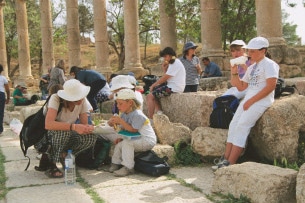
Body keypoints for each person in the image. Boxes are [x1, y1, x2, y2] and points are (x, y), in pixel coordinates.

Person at [212, 36, 279, 170]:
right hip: (249, 98)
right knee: (233, 124)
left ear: (263, 50)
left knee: (242, 125)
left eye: (253, 51)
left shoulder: (270, 65)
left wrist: (251, 101)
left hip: (261, 100)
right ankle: (225, 158)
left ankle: (230, 163)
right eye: (249, 51)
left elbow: (271, 86)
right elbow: (241, 86)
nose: (250, 54)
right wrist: (234, 72)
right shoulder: (252, 67)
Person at [43, 79, 97, 178]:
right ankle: (52, 163)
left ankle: (66, 155)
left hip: (69, 132)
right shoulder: (56, 98)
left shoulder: (82, 100)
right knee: (64, 132)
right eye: (77, 99)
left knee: (90, 137)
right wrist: (74, 127)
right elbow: (48, 124)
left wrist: (87, 128)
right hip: (52, 134)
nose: (80, 101)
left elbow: (84, 123)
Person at [106, 89, 156, 177]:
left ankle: (128, 167)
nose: (118, 106)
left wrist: (121, 121)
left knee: (127, 144)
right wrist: (112, 123)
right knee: (119, 145)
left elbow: (133, 130)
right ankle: (115, 164)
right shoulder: (124, 114)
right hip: (137, 138)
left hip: (147, 140)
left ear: (130, 103)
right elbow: (124, 129)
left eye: (120, 103)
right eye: (117, 103)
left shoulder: (138, 115)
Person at [146, 47, 186, 119]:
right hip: (172, 85)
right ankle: (159, 111)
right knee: (153, 90)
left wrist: (153, 85)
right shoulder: (173, 63)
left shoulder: (175, 63)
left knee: (149, 96)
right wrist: (164, 69)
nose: (164, 59)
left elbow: (165, 78)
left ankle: (150, 118)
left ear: (170, 55)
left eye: (165, 56)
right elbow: (167, 77)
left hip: (174, 88)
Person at [0, 64, 10, 135]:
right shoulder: (3, 78)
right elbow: (7, 89)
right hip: (1, 95)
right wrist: (8, 98)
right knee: (1, 112)